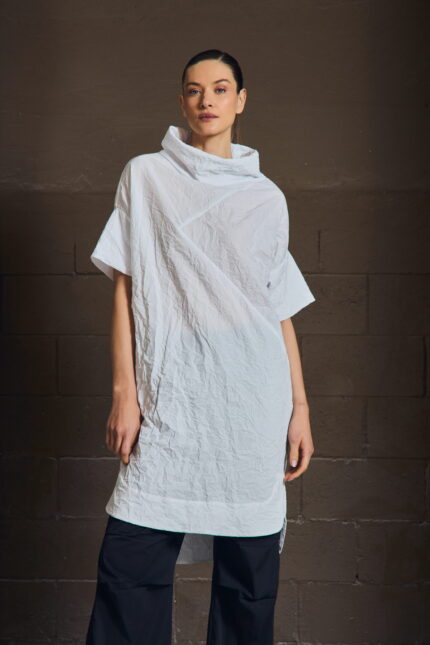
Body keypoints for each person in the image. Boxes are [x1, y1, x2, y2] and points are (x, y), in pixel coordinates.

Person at [85, 49, 316, 645]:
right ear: (182, 101)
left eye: (220, 88)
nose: (206, 100)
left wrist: (300, 407)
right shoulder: (146, 176)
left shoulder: (267, 198)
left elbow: (276, 310)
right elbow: (126, 285)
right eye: (193, 89)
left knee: (248, 579)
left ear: (241, 100)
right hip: (172, 394)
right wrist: (125, 393)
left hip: (252, 401)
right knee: (131, 563)